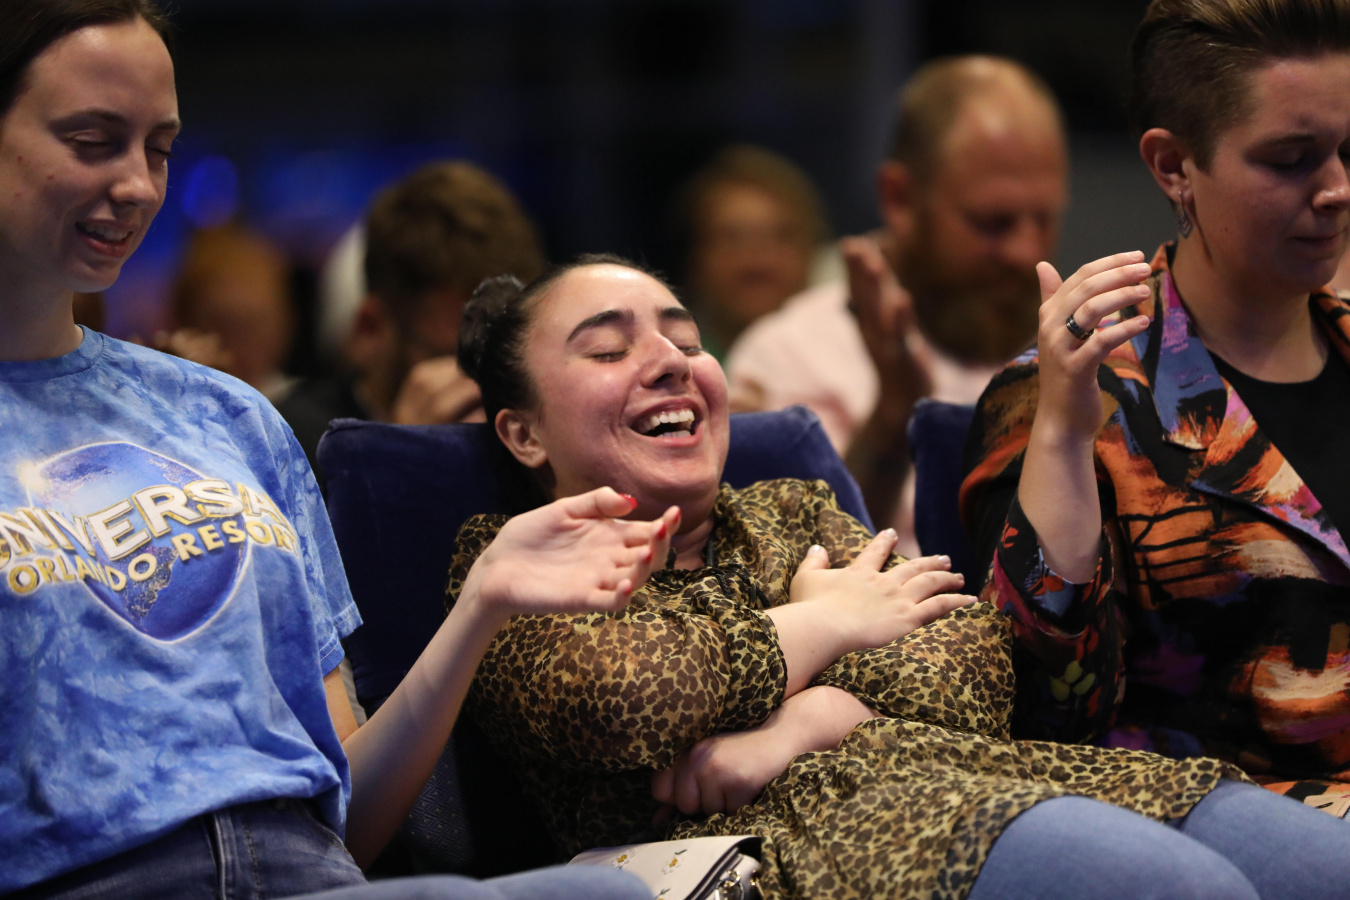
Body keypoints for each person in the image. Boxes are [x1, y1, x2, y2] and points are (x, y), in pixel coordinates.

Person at [0, 3, 658, 897]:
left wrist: (482, 604)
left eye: (158, 148)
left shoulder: (227, 416)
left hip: (309, 877)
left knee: (609, 891)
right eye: (92, 141)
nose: (140, 186)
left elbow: (347, 810)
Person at [447, 254, 1350, 900]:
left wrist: (809, 719)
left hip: (984, 773)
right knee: (1178, 888)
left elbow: (973, 664)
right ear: (524, 433)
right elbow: (624, 699)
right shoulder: (515, 560)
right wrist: (825, 625)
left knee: (1321, 869)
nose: (670, 360)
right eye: (609, 351)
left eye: (684, 338)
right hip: (790, 848)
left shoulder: (791, 510)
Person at [962, 0, 1350, 819]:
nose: (1337, 190)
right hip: (1232, 826)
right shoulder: (1073, 393)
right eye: (1291, 160)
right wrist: (1062, 437)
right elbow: (1041, 724)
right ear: (1175, 166)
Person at [726, 56, 1068, 557]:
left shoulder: (1084, 352)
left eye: (1045, 219)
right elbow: (791, 574)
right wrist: (893, 414)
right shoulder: (786, 357)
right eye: (993, 222)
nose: (1026, 251)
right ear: (900, 198)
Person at [276, 160, 545, 474]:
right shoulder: (290, 445)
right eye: (453, 358)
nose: (484, 386)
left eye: (500, 354)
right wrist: (403, 455)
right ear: (370, 329)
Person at [677, 144, 830, 360]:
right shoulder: (672, 366)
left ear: (811, 250)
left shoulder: (852, 361)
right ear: (696, 256)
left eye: (781, 236)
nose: (756, 255)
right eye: (731, 237)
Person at [168, 222, 297, 400]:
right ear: (183, 321)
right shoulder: (164, 399)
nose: (242, 345)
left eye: (255, 325)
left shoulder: (307, 408)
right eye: (223, 325)